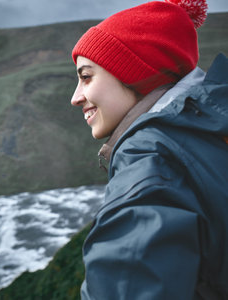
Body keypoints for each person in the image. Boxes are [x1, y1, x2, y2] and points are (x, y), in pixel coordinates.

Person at [69, 0, 228, 298]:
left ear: (135, 72)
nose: (75, 97)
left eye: (86, 76)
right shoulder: (208, 131)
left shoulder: (150, 156)